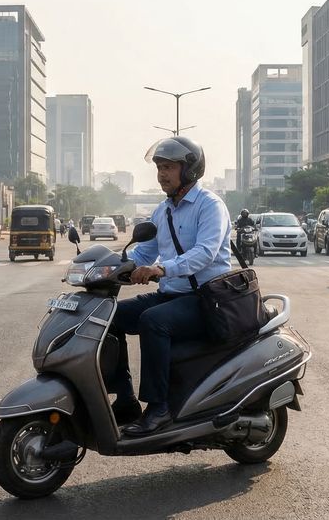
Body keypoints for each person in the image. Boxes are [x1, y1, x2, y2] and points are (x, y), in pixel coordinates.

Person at [109, 137, 232, 437]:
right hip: (171, 295)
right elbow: (143, 253)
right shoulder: (162, 211)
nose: (162, 174)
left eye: (169, 167)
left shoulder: (210, 206)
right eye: (159, 168)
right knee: (108, 316)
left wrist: (162, 269)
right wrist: (108, 266)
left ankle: (159, 409)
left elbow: (205, 253)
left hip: (205, 300)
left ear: (189, 170)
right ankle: (124, 399)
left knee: (154, 321)